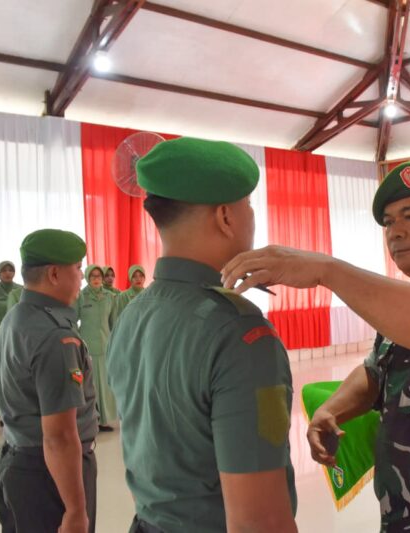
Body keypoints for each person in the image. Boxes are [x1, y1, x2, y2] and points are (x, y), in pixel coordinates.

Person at [222, 161, 410, 531]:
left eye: (409, 216)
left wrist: (328, 271)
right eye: (388, 222)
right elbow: (376, 369)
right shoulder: (403, 302)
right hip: (405, 514)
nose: (395, 232)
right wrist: (332, 410)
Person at [107, 137, 297, 533]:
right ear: (226, 217)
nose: (251, 216)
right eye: (248, 206)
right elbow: (258, 521)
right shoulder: (241, 334)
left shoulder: (133, 312)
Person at [0, 229, 98, 533]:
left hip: (15, 460)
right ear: (54, 274)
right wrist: (76, 510)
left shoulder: (16, 317)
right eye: (77, 268)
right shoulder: (56, 337)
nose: (81, 277)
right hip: (49, 476)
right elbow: (60, 437)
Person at [76, 265, 118, 431]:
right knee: (89, 385)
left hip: (106, 346)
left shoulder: (110, 297)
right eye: (92, 276)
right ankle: (90, 420)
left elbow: (114, 323)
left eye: (99, 276)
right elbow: (72, 320)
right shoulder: (81, 296)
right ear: (87, 277)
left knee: (106, 386)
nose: (96, 278)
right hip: (87, 347)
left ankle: (104, 420)